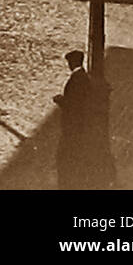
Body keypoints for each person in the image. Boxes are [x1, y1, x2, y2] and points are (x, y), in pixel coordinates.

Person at [54, 50, 97, 190]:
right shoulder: (82, 77)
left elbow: (74, 104)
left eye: (69, 63)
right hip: (78, 125)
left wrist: (60, 100)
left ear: (72, 63)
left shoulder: (77, 80)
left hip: (73, 125)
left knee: (65, 157)